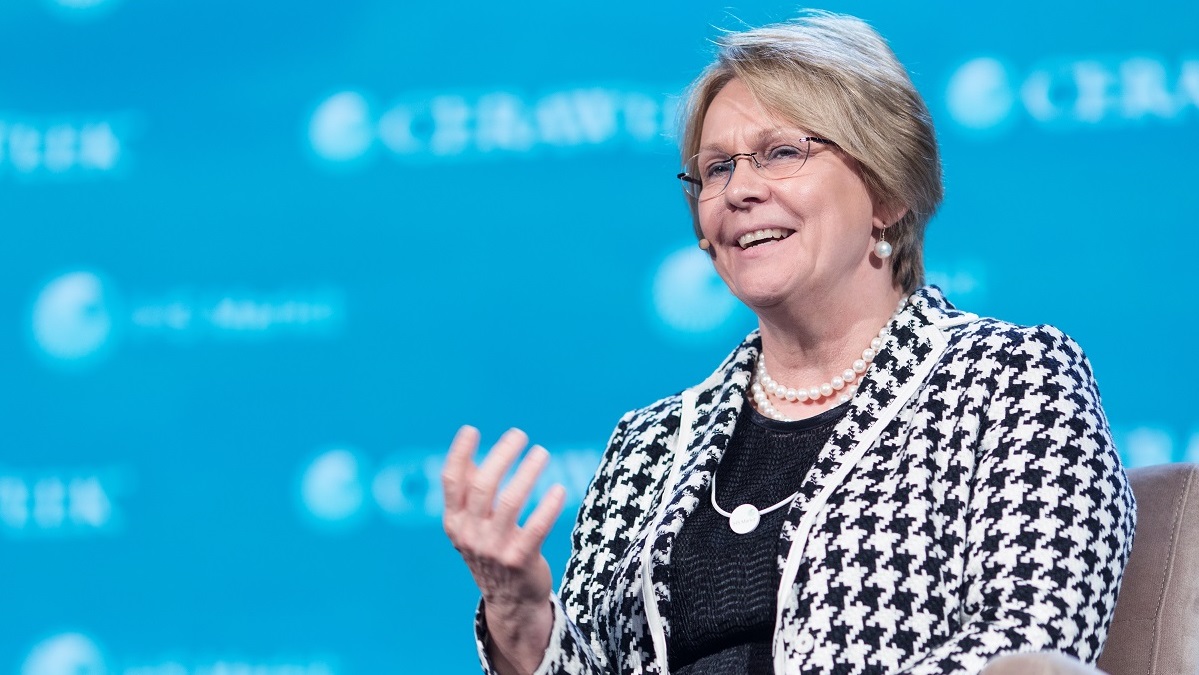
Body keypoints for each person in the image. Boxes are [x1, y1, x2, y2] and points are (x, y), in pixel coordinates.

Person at [442, 11, 1135, 675]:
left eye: (780, 153)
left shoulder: (1008, 382)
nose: (738, 190)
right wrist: (522, 615)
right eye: (714, 169)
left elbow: (1028, 648)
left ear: (886, 192)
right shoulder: (648, 444)